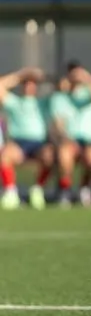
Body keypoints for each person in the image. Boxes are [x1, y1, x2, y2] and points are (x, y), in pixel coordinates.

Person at [50, 62, 91, 207]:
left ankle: (85, 187)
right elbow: (58, 124)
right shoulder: (60, 98)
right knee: (65, 153)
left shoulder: (89, 93)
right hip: (70, 141)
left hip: (89, 141)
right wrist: (66, 138)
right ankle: (65, 190)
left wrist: (86, 78)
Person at [0, 67, 53, 210]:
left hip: (38, 144)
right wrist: (20, 75)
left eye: (32, 83)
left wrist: (41, 75)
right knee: (5, 155)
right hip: (19, 143)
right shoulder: (15, 102)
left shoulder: (43, 103)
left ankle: (37, 190)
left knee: (49, 155)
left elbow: (60, 89)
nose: (29, 86)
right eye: (26, 83)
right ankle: (11, 193)